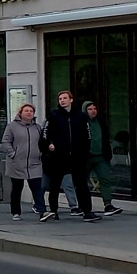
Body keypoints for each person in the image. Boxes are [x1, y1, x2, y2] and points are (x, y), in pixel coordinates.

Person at [42, 90, 99, 221]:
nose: (62, 100)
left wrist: (84, 151)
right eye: (60, 98)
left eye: (65, 98)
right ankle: (53, 210)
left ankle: (87, 211)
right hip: (59, 156)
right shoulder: (54, 115)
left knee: (81, 184)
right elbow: (46, 133)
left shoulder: (81, 116)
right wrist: (49, 145)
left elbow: (87, 135)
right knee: (55, 184)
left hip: (77, 156)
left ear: (71, 100)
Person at [0, 103, 45, 221]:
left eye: (31, 111)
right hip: (17, 163)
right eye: (26, 111)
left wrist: (41, 153)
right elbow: (5, 142)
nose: (29, 113)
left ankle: (42, 211)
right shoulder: (12, 126)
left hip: (34, 162)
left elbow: (41, 142)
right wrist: (13, 153)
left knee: (37, 188)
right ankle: (15, 212)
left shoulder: (37, 127)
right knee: (17, 188)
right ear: (20, 113)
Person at [83, 101, 123, 216]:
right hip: (86, 157)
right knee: (82, 182)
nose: (93, 111)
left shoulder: (101, 122)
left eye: (94, 108)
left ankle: (108, 204)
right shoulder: (82, 122)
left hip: (100, 156)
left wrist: (107, 153)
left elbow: (105, 137)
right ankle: (83, 206)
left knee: (105, 179)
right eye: (90, 109)